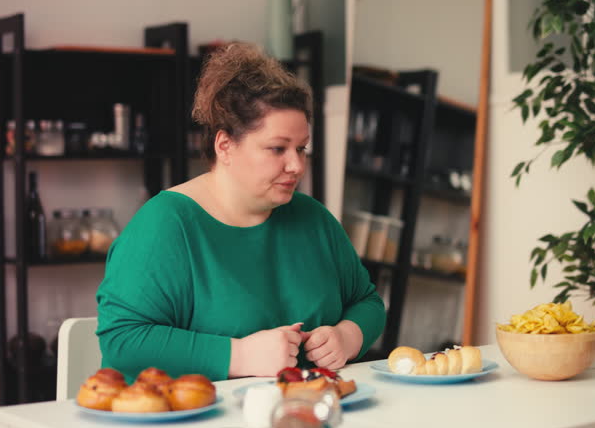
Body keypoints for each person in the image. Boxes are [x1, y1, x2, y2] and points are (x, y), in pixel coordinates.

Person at [95, 42, 386, 383]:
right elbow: (123, 342)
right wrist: (239, 355)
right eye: (277, 149)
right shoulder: (166, 225)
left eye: (301, 148)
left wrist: (349, 336)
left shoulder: (313, 217)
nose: (296, 165)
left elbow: (367, 301)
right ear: (225, 146)